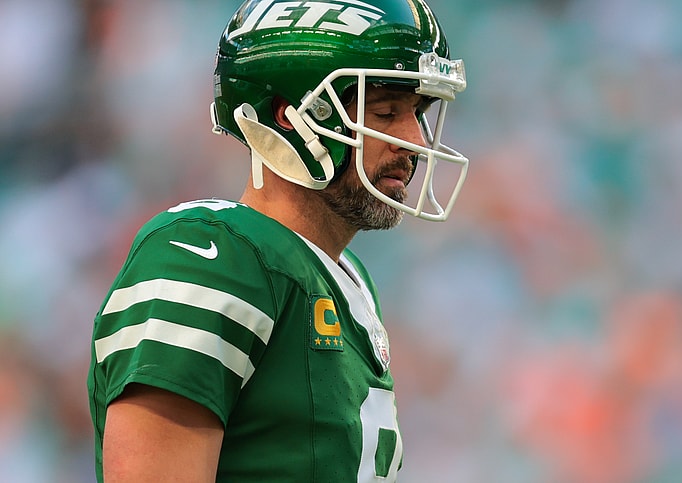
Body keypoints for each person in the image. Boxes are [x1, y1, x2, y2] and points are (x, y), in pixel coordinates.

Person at [87, 0, 468, 481]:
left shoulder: (348, 278)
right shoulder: (211, 254)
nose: (414, 140)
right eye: (386, 111)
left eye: (417, 112)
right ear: (288, 115)